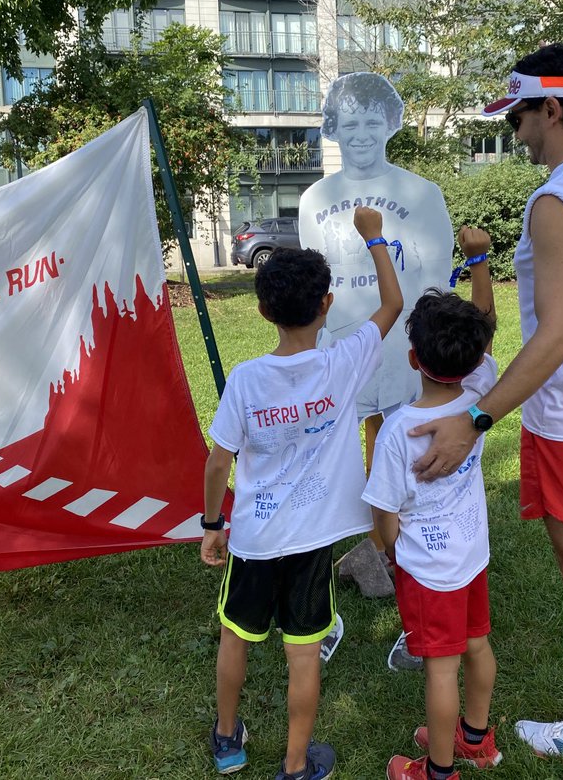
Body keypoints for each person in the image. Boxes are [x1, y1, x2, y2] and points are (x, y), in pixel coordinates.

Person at [409, 44, 563, 774]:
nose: (515, 132)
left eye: (520, 116)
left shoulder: (558, 203)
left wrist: (476, 418)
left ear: (552, 110)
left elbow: (552, 340)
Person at [200, 206, 403, 779]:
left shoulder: (245, 381)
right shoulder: (342, 364)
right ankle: (294, 766)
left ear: (262, 310)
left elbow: (219, 461)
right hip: (311, 545)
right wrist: (375, 237)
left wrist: (213, 524)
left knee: (235, 636)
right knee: (303, 654)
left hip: (255, 538)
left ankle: (227, 741)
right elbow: (392, 305)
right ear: (327, 305)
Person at [299, 72, 454, 667]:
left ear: (391, 125)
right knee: (337, 468)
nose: (361, 135)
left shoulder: (422, 193)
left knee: (412, 465)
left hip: (406, 352)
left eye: (372, 122)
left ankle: (415, 583)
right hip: (343, 356)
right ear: (333, 129)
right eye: (349, 123)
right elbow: (319, 282)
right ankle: (360, 559)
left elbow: (436, 279)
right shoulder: (317, 200)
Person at [363, 228, 502, 780]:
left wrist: (394, 553)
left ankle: (438, 771)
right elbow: (486, 334)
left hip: (428, 568)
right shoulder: (479, 397)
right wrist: (480, 261)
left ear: (412, 354)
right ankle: (475, 738)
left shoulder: (398, 430)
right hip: (471, 555)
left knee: (441, 669)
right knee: (478, 645)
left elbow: (384, 512)